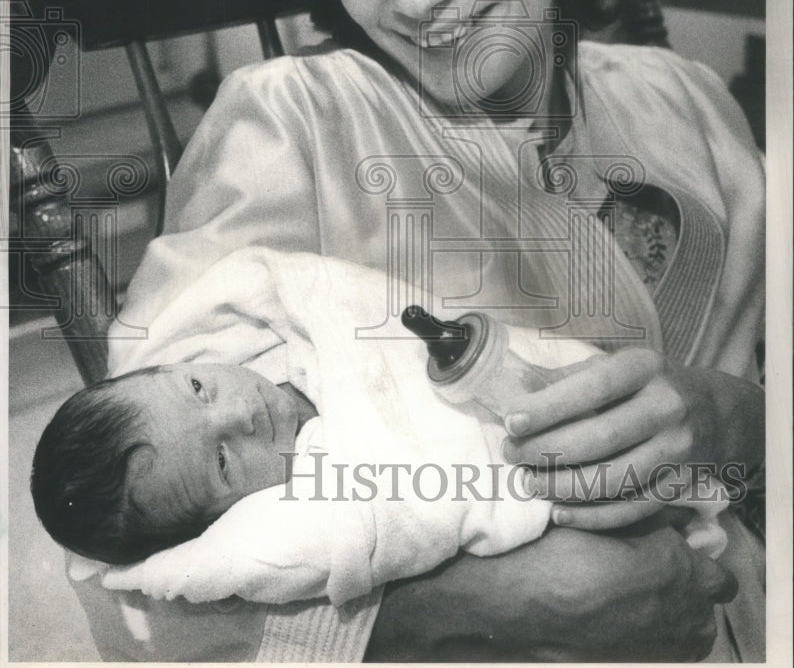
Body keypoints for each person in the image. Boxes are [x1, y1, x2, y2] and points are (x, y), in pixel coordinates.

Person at [68, 0, 764, 663]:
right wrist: (484, 600)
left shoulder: (692, 104)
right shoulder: (289, 126)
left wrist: (744, 422)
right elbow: (126, 585)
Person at [34, 250, 729, 605]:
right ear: (218, 520)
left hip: (556, 379)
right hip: (540, 469)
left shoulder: (282, 340)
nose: (241, 413)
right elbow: (385, 520)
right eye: (222, 461)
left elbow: (329, 296)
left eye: (197, 387)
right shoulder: (304, 499)